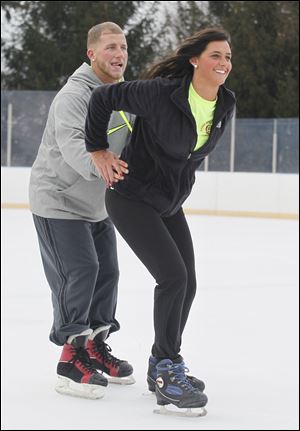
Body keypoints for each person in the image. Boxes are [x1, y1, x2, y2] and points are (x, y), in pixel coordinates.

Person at [85, 27, 236, 414]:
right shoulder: (160, 93)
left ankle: (161, 363)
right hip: (131, 197)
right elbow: (104, 98)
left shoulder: (225, 103)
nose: (224, 63)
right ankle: (168, 371)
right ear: (195, 60)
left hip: (169, 203)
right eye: (216, 55)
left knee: (189, 283)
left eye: (228, 57)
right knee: (173, 278)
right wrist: (98, 149)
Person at [29, 22, 135, 400]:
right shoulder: (74, 95)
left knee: (107, 273)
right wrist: (103, 163)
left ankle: (94, 347)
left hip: (96, 204)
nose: (119, 54)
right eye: (110, 47)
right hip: (57, 200)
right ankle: (69, 357)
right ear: (91, 54)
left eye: (122, 46)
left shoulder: (124, 95)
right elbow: (74, 145)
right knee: (81, 271)